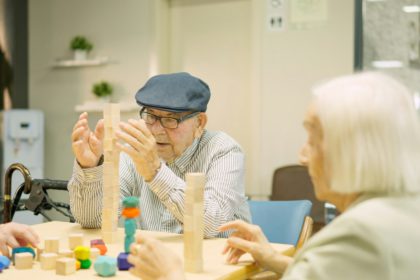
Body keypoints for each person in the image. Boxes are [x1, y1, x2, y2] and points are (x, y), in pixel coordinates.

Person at [127, 72, 420, 279]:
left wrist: (170, 275)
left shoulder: (359, 238)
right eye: (150, 116)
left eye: (313, 139)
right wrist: (276, 261)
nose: (302, 155)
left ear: (354, 150)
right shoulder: (400, 214)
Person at [68, 72, 251, 238]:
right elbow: (93, 221)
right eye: (151, 116)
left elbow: (212, 225)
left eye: (170, 119)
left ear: (199, 122)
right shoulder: (135, 152)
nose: (156, 130)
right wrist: (91, 169)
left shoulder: (223, 150)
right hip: (155, 265)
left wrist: (155, 172)